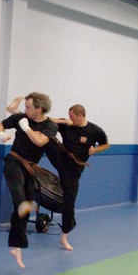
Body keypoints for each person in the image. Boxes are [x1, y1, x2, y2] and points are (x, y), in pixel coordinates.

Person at [0, 92, 58, 268]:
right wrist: (2, 135)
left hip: (30, 168)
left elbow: (39, 142)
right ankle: (16, 243)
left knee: (26, 207)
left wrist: (26, 128)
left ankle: (16, 246)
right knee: (21, 202)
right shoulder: (21, 118)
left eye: (28, 107)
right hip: (14, 162)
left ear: (39, 109)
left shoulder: (50, 126)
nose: (25, 110)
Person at [47, 104, 109, 251]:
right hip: (61, 158)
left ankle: (64, 235)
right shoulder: (67, 125)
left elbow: (106, 144)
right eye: (69, 116)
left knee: (69, 200)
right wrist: (63, 121)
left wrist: (95, 150)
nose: (70, 118)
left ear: (80, 116)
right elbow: (46, 120)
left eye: (72, 116)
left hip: (74, 168)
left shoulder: (95, 130)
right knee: (46, 139)